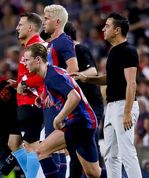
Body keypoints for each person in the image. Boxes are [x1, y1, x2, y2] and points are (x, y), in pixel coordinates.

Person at [72, 12, 142, 178]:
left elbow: (131, 83)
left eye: (107, 26)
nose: (103, 29)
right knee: (110, 155)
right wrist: (87, 79)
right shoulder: (113, 51)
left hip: (124, 105)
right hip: (111, 106)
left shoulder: (129, 51)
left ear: (117, 30)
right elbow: (109, 79)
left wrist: (127, 112)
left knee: (127, 152)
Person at [24, 43, 107, 178]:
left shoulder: (51, 76)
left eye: (27, 59)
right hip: (86, 122)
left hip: (79, 122)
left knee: (41, 151)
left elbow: (74, 97)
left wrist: (58, 118)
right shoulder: (51, 72)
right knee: (93, 173)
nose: (25, 63)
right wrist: (44, 97)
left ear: (38, 60)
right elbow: (62, 92)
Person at [0, 12, 44, 177]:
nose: (17, 28)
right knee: (13, 143)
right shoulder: (28, 48)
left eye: (20, 24)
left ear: (30, 27)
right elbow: (31, 76)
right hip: (22, 102)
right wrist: (18, 83)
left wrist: (24, 84)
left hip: (33, 103)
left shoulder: (39, 47)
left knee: (31, 146)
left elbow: (43, 75)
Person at [40, 4, 79, 177]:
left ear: (57, 22)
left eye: (46, 18)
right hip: (51, 100)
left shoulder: (64, 41)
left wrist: (57, 93)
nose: (43, 21)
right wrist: (45, 92)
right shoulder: (50, 44)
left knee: (51, 147)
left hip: (60, 102)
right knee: (55, 148)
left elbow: (73, 70)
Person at [64, 21, 105, 177]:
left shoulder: (79, 49)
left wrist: (76, 76)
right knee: (75, 146)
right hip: (78, 105)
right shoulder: (64, 55)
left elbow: (93, 71)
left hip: (92, 104)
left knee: (90, 142)